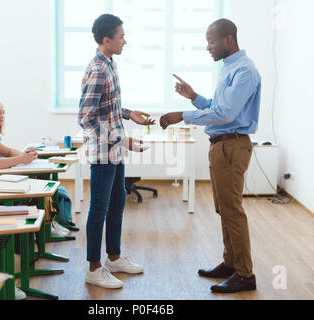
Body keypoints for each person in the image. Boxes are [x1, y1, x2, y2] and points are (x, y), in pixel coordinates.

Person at [160, 18, 261, 293]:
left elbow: (225, 115)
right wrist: (194, 97)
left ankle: (245, 274)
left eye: (211, 41)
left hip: (232, 145)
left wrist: (183, 115)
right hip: (220, 145)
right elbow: (218, 107)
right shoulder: (230, 68)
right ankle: (231, 263)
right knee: (223, 209)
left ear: (229, 39)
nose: (208, 47)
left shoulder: (244, 71)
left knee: (232, 211)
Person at [78, 13, 155, 289]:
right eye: (121, 36)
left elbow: (106, 107)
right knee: (99, 207)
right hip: (103, 151)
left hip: (114, 149)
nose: (125, 40)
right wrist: (122, 141)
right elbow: (86, 117)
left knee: (118, 201)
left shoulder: (109, 64)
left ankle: (114, 258)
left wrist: (128, 113)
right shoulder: (98, 69)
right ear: (107, 39)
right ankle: (94, 268)